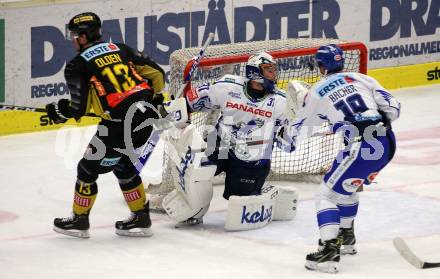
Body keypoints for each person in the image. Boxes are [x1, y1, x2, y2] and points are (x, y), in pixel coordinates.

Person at [45, 12, 166, 238]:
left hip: (118, 127)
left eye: (74, 35)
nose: (73, 40)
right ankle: (140, 216)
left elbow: (78, 109)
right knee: (124, 166)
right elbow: (157, 74)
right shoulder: (121, 48)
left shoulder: (77, 65)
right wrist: (156, 96)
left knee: (87, 169)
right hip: (145, 121)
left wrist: (61, 111)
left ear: (82, 37)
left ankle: (79, 221)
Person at [286, 44, 400, 273]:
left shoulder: (316, 91)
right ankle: (346, 237)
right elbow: (394, 109)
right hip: (386, 142)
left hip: (361, 145)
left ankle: (329, 252)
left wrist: (285, 139)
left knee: (325, 195)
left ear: (321, 66)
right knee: (346, 188)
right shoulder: (361, 78)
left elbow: (298, 131)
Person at [161, 52, 298, 230]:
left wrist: (294, 126)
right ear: (254, 72)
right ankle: (194, 209)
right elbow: (192, 101)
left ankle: (268, 193)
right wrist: (174, 109)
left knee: (240, 205)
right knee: (196, 167)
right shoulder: (228, 86)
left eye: (273, 69)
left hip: (253, 159)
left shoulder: (281, 102)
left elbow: (288, 145)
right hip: (220, 143)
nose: (273, 73)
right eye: (268, 69)